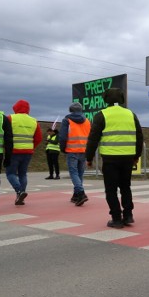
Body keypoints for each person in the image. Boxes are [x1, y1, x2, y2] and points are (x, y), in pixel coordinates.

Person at [85, 88, 143, 228]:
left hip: (110, 159)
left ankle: (116, 218)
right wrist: (137, 155)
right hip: (128, 158)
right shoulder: (131, 114)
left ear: (106, 99)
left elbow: (93, 139)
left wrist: (89, 157)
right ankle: (128, 215)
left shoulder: (101, 115)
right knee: (125, 187)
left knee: (111, 189)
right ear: (122, 99)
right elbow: (139, 136)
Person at [5, 99, 42, 205]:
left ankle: (19, 191)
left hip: (14, 151)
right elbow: (38, 138)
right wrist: (31, 146)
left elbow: (5, 135)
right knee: (23, 174)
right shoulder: (33, 121)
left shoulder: (10, 118)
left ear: (15, 107)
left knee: (11, 173)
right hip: (28, 152)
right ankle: (20, 196)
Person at [60, 102, 90, 206]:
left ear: (70, 110)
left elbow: (63, 137)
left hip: (72, 150)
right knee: (80, 173)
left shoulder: (67, 120)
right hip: (83, 150)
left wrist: (63, 148)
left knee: (73, 172)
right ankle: (76, 195)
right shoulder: (87, 121)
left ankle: (81, 193)